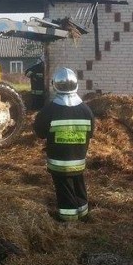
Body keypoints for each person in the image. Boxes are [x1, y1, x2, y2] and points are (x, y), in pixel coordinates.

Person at [33, 67, 94, 221]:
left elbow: (40, 133)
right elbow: (90, 133)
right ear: (76, 85)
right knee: (78, 183)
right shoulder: (86, 110)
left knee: (64, 188)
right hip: (79, 160)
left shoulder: (49, 110)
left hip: (58, 161)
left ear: (55, 85)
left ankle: (67, 218)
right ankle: (84, 213)